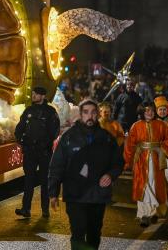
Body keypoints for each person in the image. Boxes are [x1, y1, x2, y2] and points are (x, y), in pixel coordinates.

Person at [48, 99, 124, 250]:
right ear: (80, 114)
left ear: (98, 114)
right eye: (86, 112)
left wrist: (110, 175)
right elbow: (57, 165)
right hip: (75, 195)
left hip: (98, 195)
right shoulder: (69, 137)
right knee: (78, 232)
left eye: (94, 112)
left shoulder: (106, 138)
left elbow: (118, 162)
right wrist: (53, 193)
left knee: (94, 233)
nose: (90, 116)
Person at [124, 102, 168, 227]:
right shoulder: (136, 126)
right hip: (141, 160)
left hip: (157, 160)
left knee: (154, 184)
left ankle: (154, 212)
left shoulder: (161, 125)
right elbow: (130, 144)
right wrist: (128, 160)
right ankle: (144, 215)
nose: (150, 113)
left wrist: (161, 148)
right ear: (142, 112)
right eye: (147, 110)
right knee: (144, 185)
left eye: (152, 110)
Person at [14, 86, 60, 218]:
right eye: (33, 93)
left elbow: (55, 130)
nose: (33, 96)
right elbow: (20, 127)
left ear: (43, 96)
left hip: (44, 152)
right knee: (28, 180)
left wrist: (46, 142)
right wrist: (21, 139)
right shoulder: (29, 110)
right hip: (30, 152)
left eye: (36, 94)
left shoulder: (50, 112)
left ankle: (45, 209)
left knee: (44, 181)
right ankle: (25, 209)